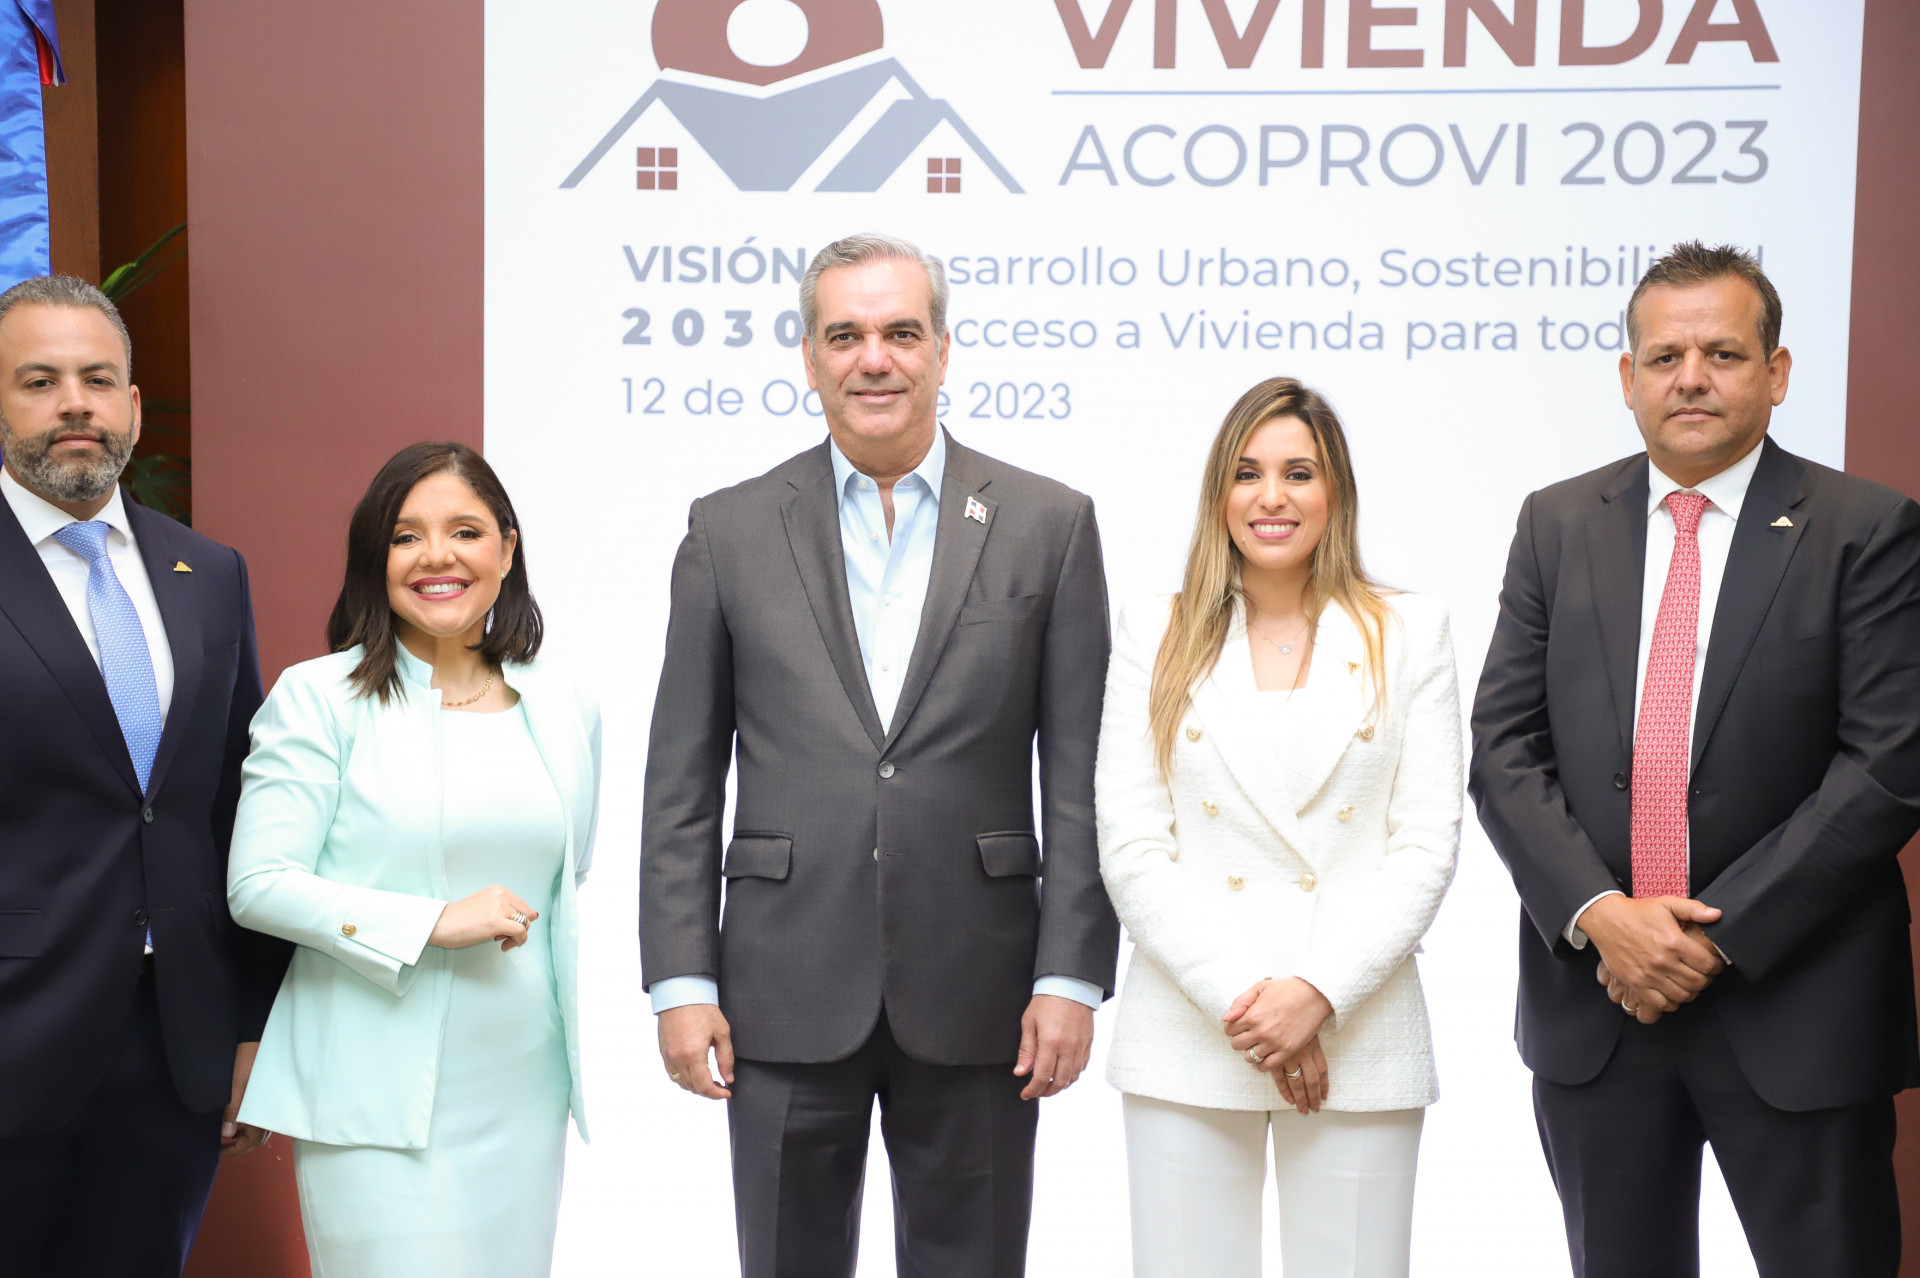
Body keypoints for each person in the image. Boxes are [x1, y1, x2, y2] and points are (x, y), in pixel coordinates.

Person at [642, 232, 1119, 1277]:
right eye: (845, 335)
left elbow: (1083, 779)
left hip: (984, 991)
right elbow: (681, 779)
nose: (875, 359)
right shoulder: (727, 530)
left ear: (943, 350)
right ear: (809, 358)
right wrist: (680, 978)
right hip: (780, 988)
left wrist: (1071, 976)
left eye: (902, 333)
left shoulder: (1050, 525)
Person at [1470, 241, 1920, 1277]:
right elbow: (1504, 749)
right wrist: (1603, 915)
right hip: (1600, 1001)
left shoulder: (1865, 529)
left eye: (1722, 353)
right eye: (1666, 357)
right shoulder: (1555, 523)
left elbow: (1889, 764)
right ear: (1628, 377)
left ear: (1777, 372)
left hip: (1798, 1005)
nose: (1691, 378)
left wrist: (1708, 943)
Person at [1095, 378, 1460, 1278]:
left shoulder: (1408, 631)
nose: (1272, 497)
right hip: (1192, 1026)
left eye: (1299, 473)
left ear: (1335, 492)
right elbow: (1132, 845)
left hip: (1358, 1027)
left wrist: (1317, 993)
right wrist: (1253, 1006)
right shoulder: (1158, 629)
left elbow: (1425, 846)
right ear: (1219, 492)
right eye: (1248, 473)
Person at [226, 442, 601, 1277]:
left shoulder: (564, 701)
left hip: (522, 1086)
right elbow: (258, 885)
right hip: (371, 1095)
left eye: (465, 531)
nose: (438, 556)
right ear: (376, 558)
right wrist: (435, 921)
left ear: (507, 549)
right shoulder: (317, 698)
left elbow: (568, 872)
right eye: (406, 536)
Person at [0, 275, 289, 1277]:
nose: (73, 404)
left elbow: (237, 809)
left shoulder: (209, 573)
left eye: (97, 379)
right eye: (39, 381)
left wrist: (251, 1026)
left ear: (130, 402)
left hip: (174, 1053)